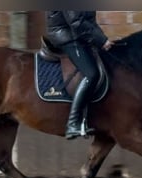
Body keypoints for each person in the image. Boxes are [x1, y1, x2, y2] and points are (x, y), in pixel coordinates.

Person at [45, 11, 114, 140]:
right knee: (91, 74)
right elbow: (76, 22)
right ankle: (72, 123)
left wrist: (101, 38)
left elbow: (89, 21)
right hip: (67, 35)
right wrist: (101, 40)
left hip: (77, 34)